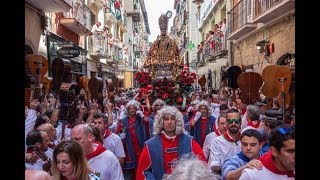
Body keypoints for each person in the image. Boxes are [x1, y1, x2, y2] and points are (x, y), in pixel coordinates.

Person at [136, 106, 206, 180]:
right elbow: (143, 172)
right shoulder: (150, 145)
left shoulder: (189, 142)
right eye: (166, 119)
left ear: (177, 121)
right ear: (161, 122)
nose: (169, 122)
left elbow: (202, 166)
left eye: (173, 119)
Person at [115, 99, 149, 179]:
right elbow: (117, 133)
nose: (132, 110)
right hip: (129, 149)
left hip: (140, 147)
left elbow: (149, 125)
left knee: (142, 168)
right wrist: (121, 136)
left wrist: (142, 115)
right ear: (127, 110)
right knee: (130, 172)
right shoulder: (123, 121)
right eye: (130, 109)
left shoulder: (140, 119)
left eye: (134, 108)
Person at [209, 108, 242, 179]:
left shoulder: (245, 140)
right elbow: (215, 166)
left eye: (236, 121)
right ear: (226, 123)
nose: (233, 124)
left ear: (241, 122)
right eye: (230, 121)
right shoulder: (217, 141)